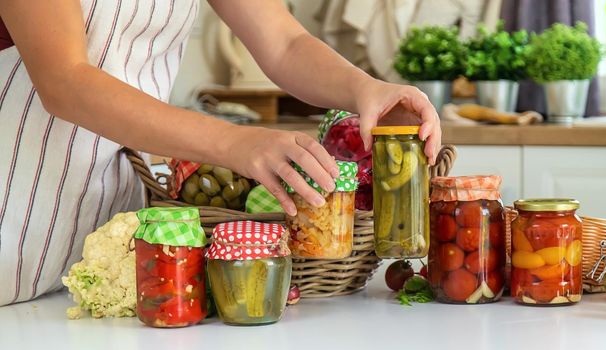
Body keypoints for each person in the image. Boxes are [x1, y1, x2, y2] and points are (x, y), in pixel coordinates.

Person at [0, 0, 441, 306]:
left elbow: (284, 44)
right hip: (12, 208)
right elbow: (65, 82)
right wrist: (235, 143)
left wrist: (367, 88)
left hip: (104, 229)